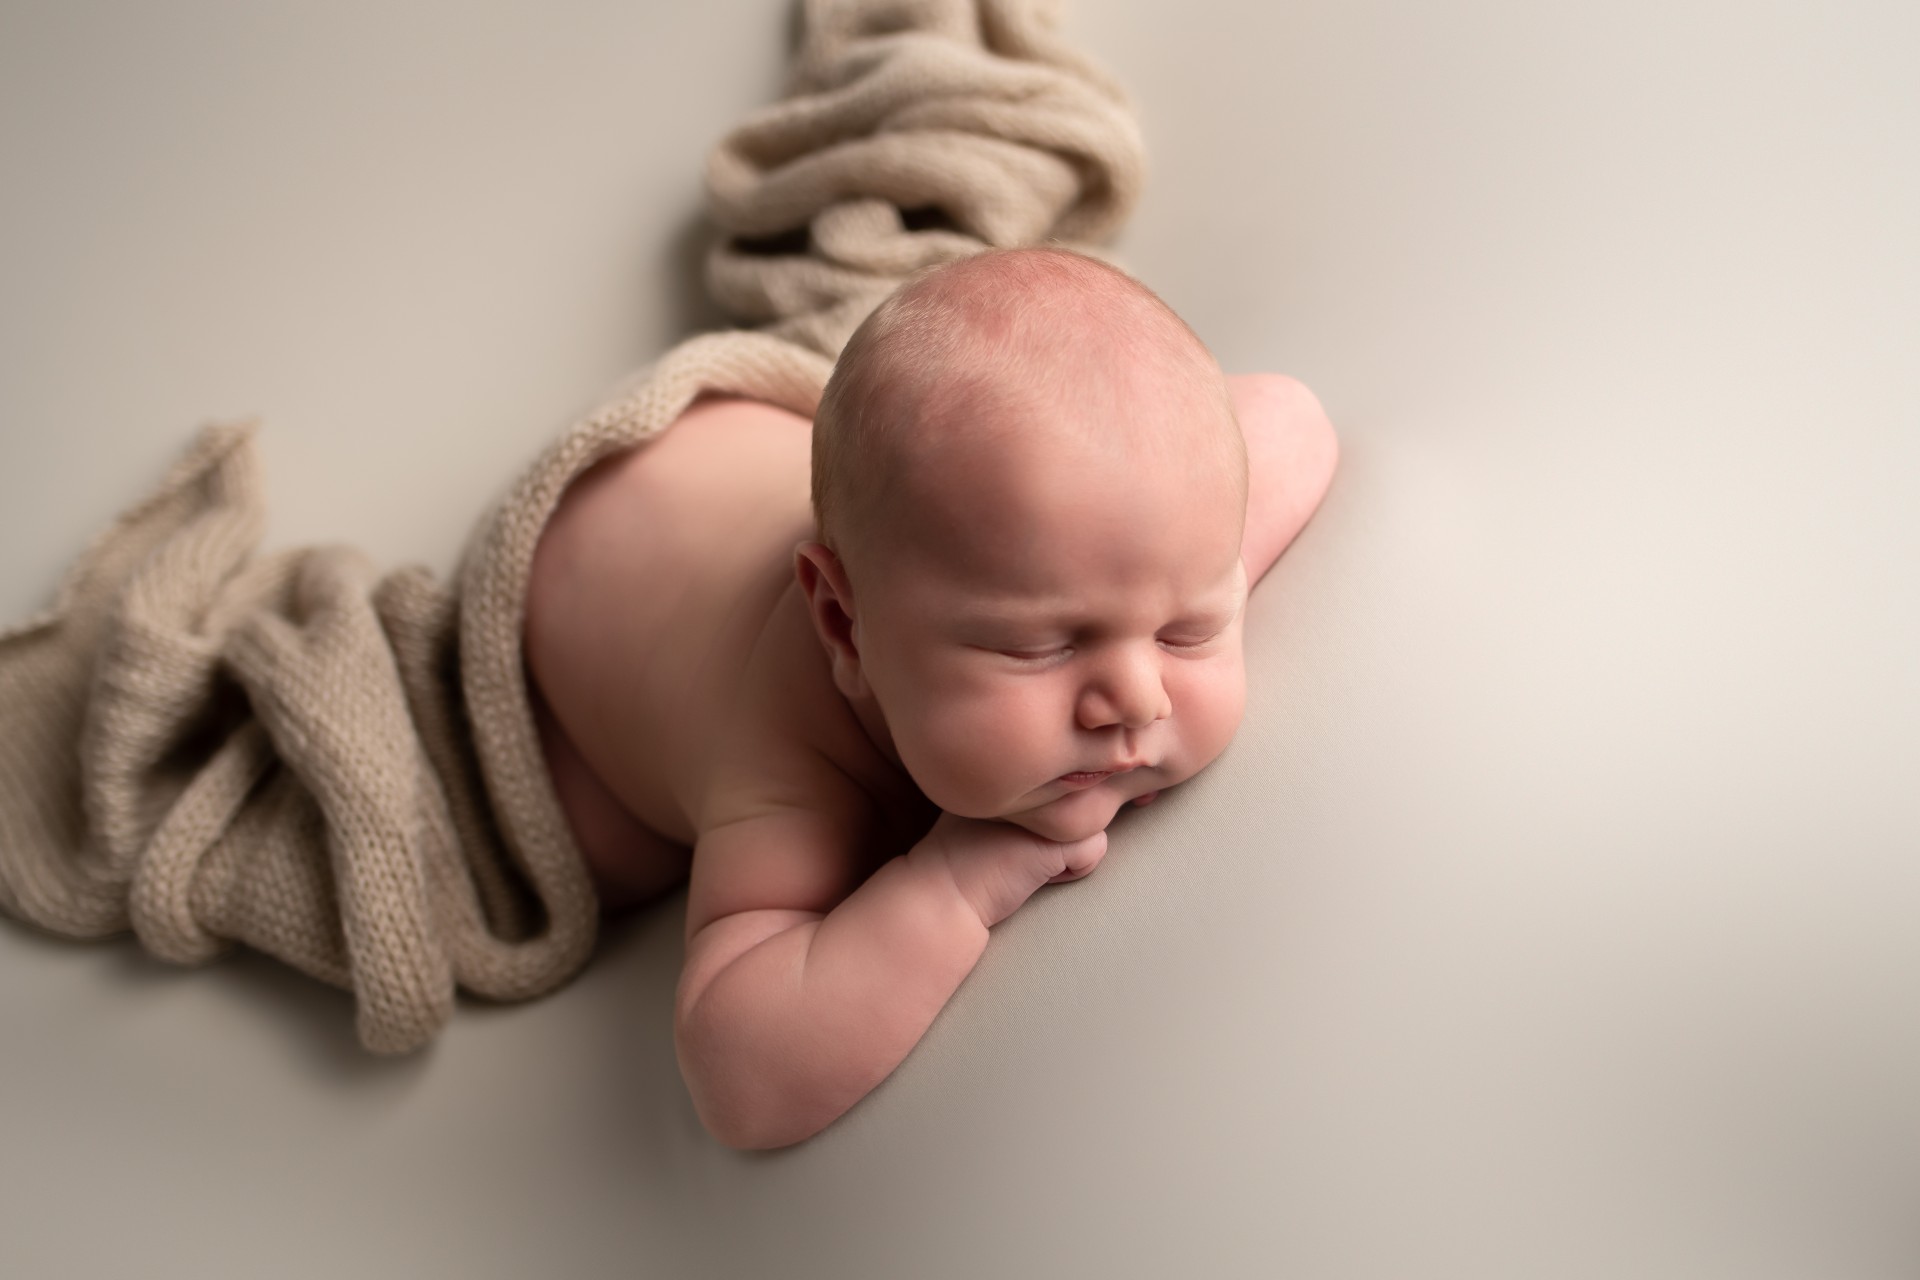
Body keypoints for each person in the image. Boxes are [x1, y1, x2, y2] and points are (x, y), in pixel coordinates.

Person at [523, 246, 1339, 1148]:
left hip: (758, 460)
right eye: (1043, 646)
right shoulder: (790, 764)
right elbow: (737, 1078)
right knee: (602, 848)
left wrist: (1187, 566)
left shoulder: (1011, 569)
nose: (1138, 699)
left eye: (1186, 628)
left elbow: (1292, 419)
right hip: (571, 590)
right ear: (844, 627)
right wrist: (953, 880)